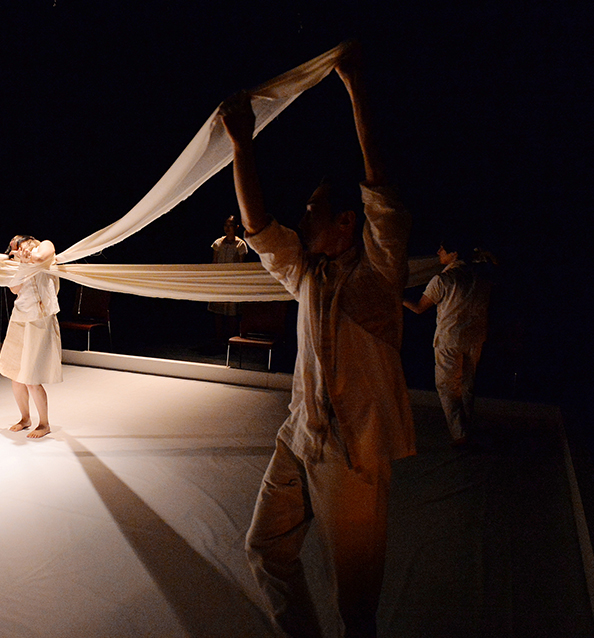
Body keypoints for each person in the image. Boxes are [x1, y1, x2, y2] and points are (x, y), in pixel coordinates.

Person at [219, 42, 414, 638]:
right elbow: (258, 227)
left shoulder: (377, 276)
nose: (303, 220)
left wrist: (355, 87)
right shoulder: (308, 274)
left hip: (354, 455)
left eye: (313, 211)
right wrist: (242, 144)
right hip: (300, 434)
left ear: (346, 223)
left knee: (357, 607)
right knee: (265, 549)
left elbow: (380, 188)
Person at [404, 239, 493, 446]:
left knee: (446, 386)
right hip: (475, 337)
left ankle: (460, 433)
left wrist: (397, 297)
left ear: (454, 253)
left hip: (450, 338)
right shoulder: (481, 276)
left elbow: (418, 307)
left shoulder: (444, 279)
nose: (438, 252)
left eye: (442, 249)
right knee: (467, 383)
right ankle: (465, 427)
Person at [0, 235, 61, 439]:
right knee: (16, 375)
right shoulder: (20, 265)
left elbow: (40, 258)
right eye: (13, 247)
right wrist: (22, 263)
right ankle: (25, 418)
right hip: (20, 318)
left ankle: (44, 424)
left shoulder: (45, 246)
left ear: (29, 240)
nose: (15, 248)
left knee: (31, 378)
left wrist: (27, 258)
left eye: (17, 244)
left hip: (39, 320)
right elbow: (14, 289)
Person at [210, 215, 249, 343]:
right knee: (218, 311)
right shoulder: (218, 243)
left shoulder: (240, 244)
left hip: (232, 282)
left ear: (236, 227)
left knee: (231, 312)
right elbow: (214, 262)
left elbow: (241, 265)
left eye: (230, 225)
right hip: (219, 281)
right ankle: (219, 339)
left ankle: (230, 340)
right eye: (226, 225)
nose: (227, 228)